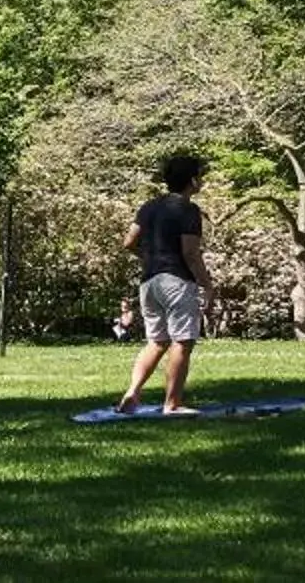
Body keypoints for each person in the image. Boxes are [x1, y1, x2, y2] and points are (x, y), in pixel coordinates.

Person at [117, 151, 210, 416]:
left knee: (157, 341)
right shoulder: (189, 209)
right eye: (199, 176)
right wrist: (208, 285)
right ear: (192, 180)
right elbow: (190, 253)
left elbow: (129, 242)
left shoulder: (148, 207)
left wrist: (151, 258)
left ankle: (132, 393)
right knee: (183, 341)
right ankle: (173, 404)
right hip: (177, 281)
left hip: (150, 281)